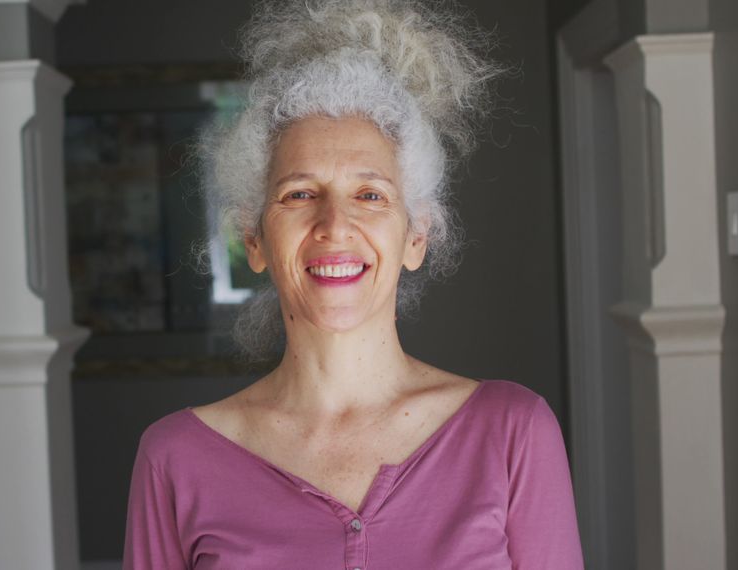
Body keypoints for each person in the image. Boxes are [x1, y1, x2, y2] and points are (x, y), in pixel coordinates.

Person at [123, 1, 583, 568]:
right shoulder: (175, 458)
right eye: (298, 194)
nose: (335, 225)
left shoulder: (513, 431)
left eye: (370, 195)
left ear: (416, 236)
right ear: (256, 240)